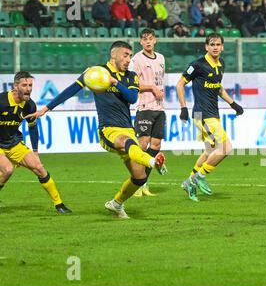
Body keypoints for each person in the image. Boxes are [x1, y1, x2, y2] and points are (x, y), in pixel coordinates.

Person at [26, 41, 166, 219]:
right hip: (108, 129)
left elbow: (132, 98)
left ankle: (116, 204)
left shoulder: (131, 76)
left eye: (130, 56)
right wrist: (46, 108)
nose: (128, 59)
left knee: (139, 178)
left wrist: (115, 83)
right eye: (125, 55)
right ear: (113, 55)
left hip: (127, 128)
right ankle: (153, 162)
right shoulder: (95, 73)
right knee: (126, 142)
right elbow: (71, 90)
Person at [176, 33, 244, 202]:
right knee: (226, 148)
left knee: (210, 151)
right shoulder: (198, 65)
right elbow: (180, 84)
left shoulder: (221, 64)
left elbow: (218, 87)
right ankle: (199, 177)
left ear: (222, 47)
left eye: (218, 44)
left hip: (213, 114)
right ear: (206, 46)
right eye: (212, 44)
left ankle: (188, 182)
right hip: (202, 114)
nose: (215, 47)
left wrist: (233, 103)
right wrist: (183, 108)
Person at [0, 72, 71, 214]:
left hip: (13, 142)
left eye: (30, 85)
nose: (28, 89)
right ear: (15, 86)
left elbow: (32, 127)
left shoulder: (29, 105)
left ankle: (59, 205)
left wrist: (35, 151)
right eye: (24, 85)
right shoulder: (1, 101)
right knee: (7, 170)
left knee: (39, 167)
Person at [128, 29, 167, 197]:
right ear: (141, 42)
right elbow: (131, 82)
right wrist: (151, 87)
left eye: (150, 39)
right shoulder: (136, 59)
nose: (148, 42)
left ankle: (144, 183)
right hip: (145, 108)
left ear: (155, 40)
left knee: (156, 146)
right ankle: (136, 182)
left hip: (160, 108)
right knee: (142, 145)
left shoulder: (161, 58)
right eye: (145, 39)